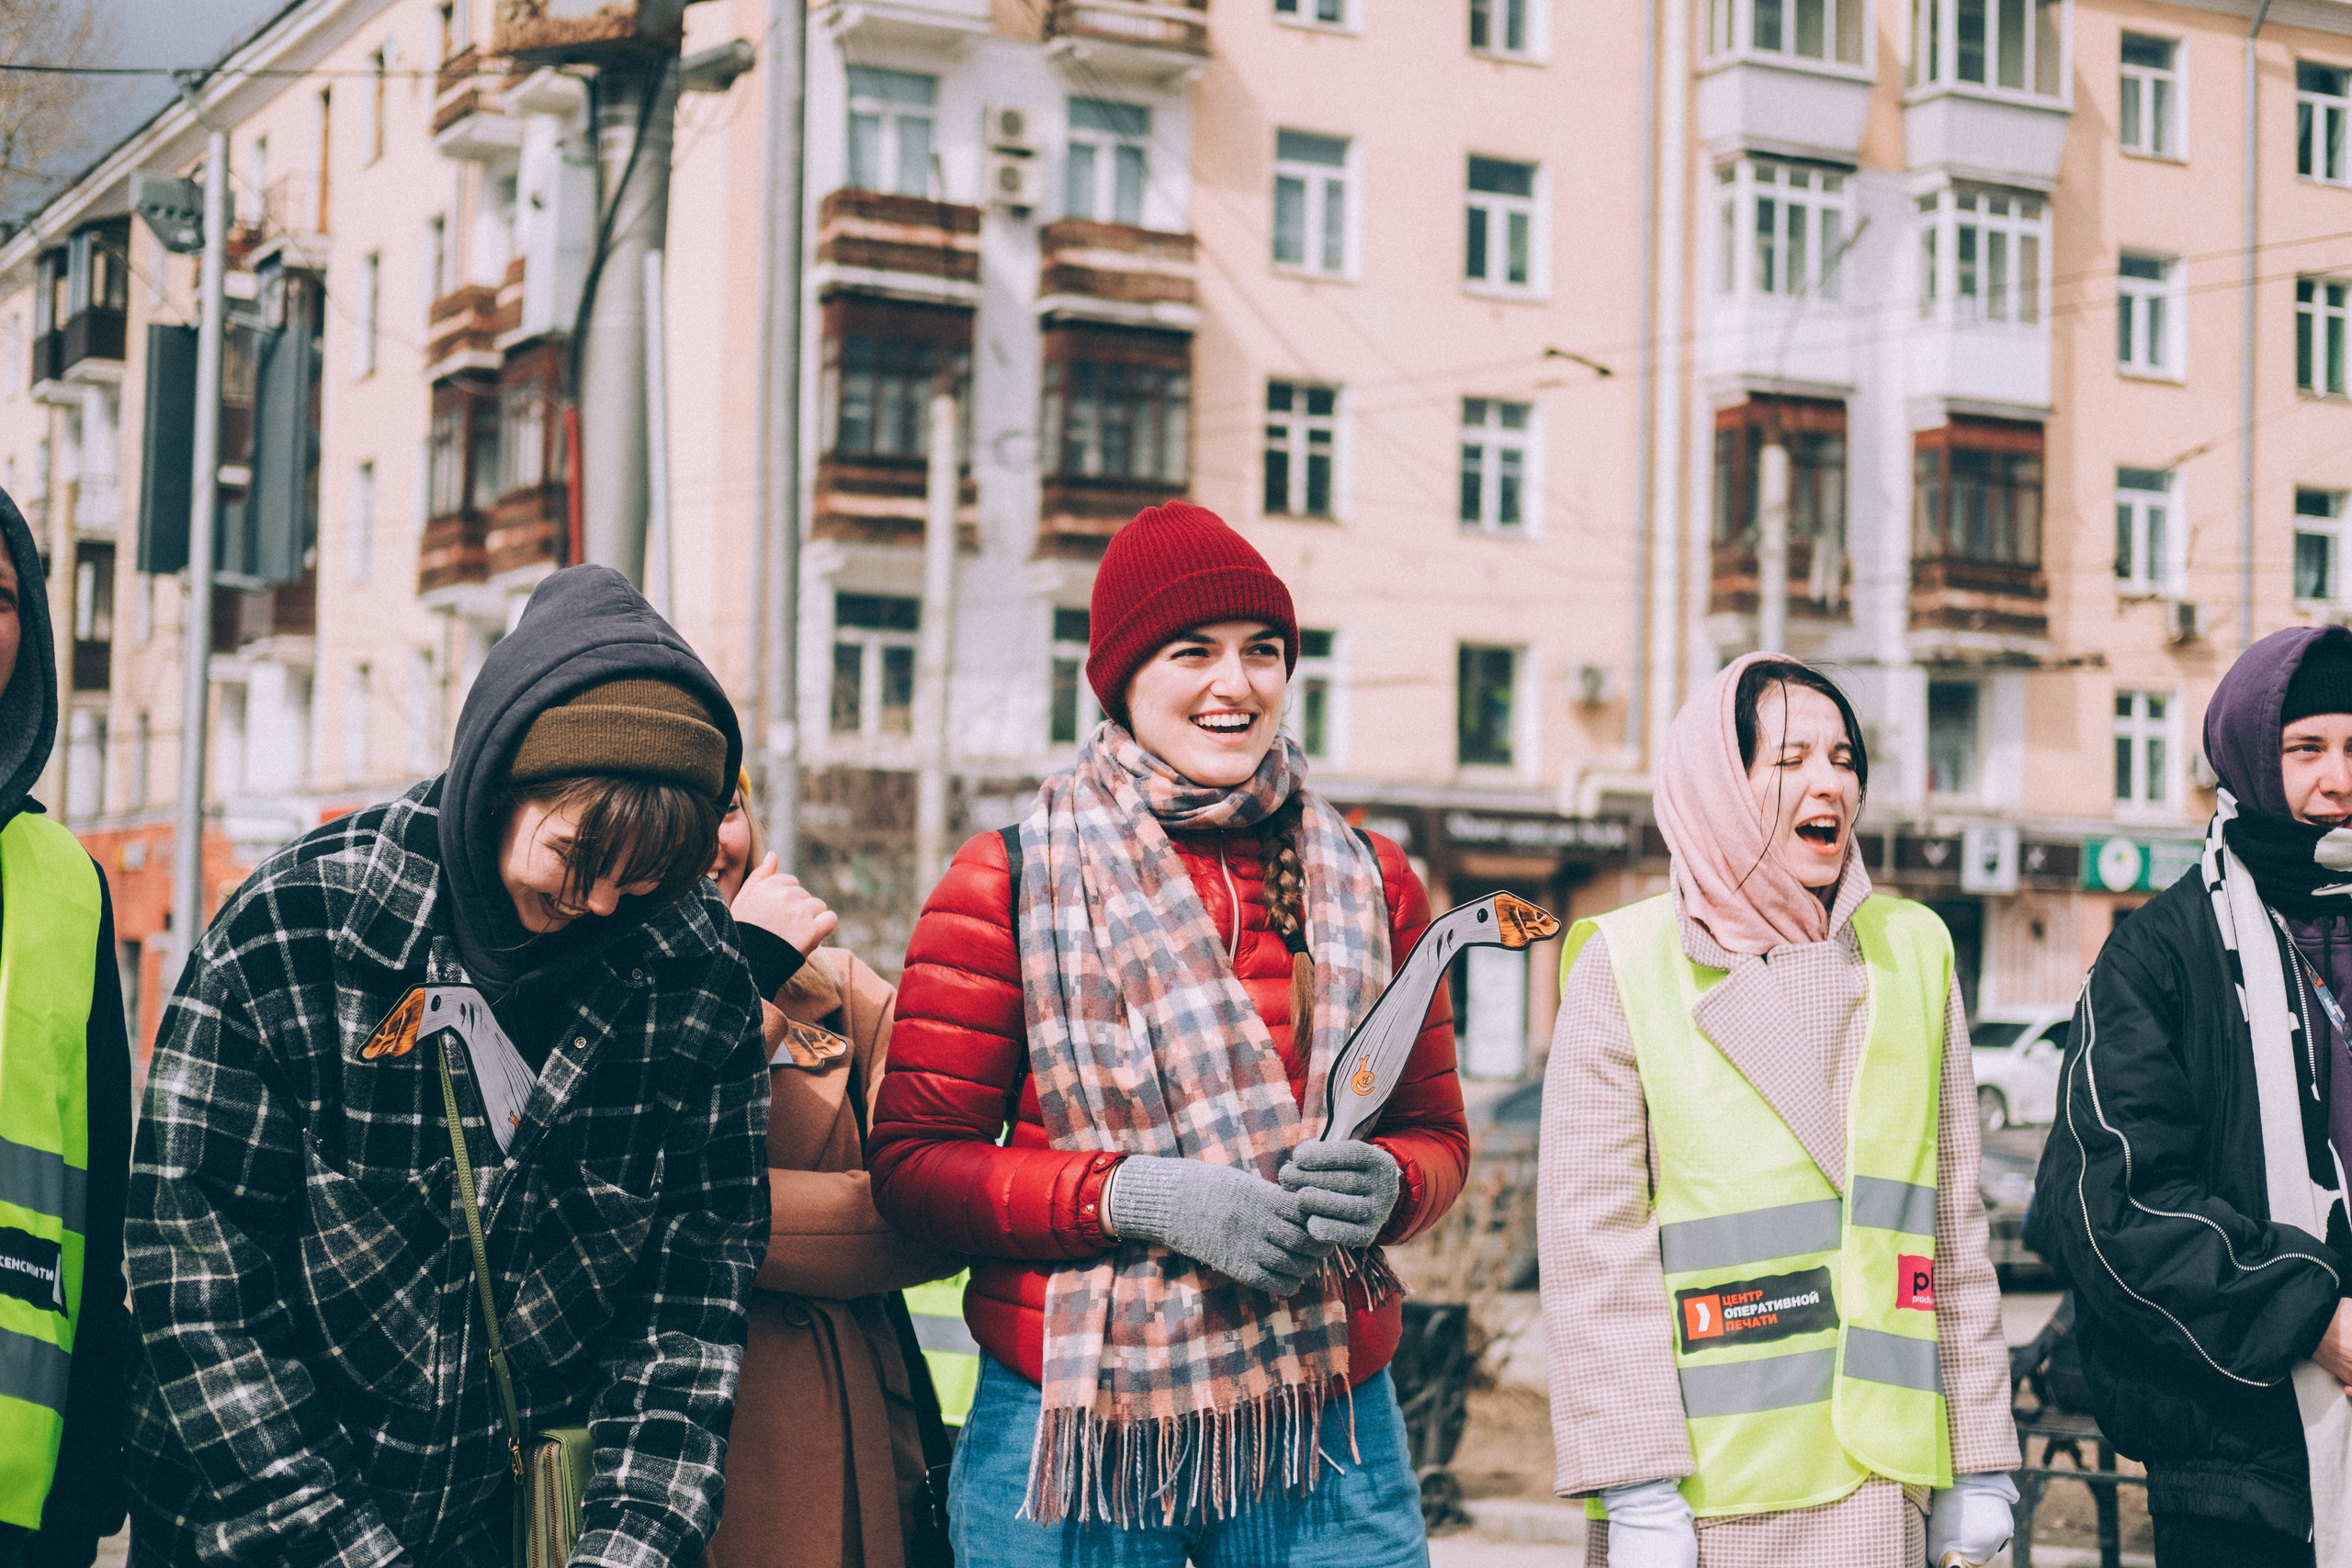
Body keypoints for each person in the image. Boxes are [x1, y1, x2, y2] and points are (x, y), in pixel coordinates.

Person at [124, 565, 770, 1568]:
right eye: (574, 858)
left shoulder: (694, 978)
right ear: (499, 778)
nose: (601, 906)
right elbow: (198, 1283)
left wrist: (630, 1548)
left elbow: (686, 1319)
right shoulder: (297, 928)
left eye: (642, 880)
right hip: (255, 1534)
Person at [868, 502, 1468, 1568]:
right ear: (1122, 678)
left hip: (1324, 1415)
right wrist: (1133, 1194)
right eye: (1193, 651)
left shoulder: (1373, 881)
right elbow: (914, 1169)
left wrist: (1393, 1188)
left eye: (1262, 653)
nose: (1234, 686)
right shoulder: (1007, 877)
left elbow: (1435, 1135)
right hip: (1076, 1422)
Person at [1540, 653, 2018, 1568]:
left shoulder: (1913, 950)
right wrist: (1636, 1488)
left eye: (1843, 758)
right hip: (1702, 1500)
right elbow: (1594, 1252)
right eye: (1790, 758)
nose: (1828, 783)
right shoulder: (1628, 962)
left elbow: (1951, 1229)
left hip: (1885, 1482)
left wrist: (1980, 1459)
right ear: (1719, 784)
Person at [2029, 625, 2352, 1568]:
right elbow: (2109, 1207)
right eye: (2307, 749)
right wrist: (2311, 1318)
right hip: (2239, 1478)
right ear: (2252, 755)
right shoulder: (2161, 955)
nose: (2339, 777)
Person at [706, 774, 968, 1568]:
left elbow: (940, 1204)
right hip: (643, 1476)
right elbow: (596, 1182)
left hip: (850, 1471)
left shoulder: (842, 990)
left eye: (724, 807)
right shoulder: (554, 999)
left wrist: (695, 1220)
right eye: (668, 807)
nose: (708, 840)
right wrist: (737, 972)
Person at [0, 491, 133, 1568]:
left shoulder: (69, 886)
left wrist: (89, 1462)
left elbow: (104, 1196)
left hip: (17, 1489)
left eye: (0, 599)